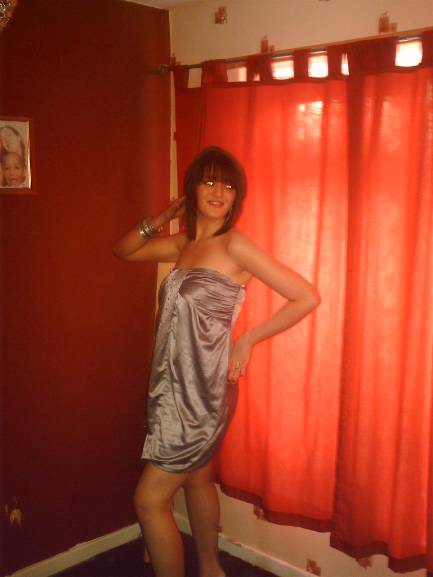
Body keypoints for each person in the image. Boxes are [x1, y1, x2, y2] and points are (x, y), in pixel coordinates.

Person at [112, 146, 321, 577]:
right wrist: (164, 215)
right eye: (209, 181)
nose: (218, 191)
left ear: (236, 197)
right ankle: (211, 567)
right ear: (192, 188)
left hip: (202, 392)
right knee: (197, 478)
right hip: (171, 384)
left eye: (228, 185)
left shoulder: (235, 245)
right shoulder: (184, 244)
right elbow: (125, 251)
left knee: (148, 501)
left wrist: (248, 340)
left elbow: (306, 296)